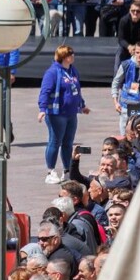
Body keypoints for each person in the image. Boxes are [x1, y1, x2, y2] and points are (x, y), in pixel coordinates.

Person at [38, 45, 89, 184]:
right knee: (55, 141)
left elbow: (76, 90)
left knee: (68, 143)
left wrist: (82, 105)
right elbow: (45, 91)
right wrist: (42, 109)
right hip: (57, 114)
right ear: (64, 57)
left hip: (71, 113)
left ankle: (67, 171)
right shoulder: (52, 72)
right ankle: (51, 171)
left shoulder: (73, 71)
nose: (73, 56)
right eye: (70, 54)